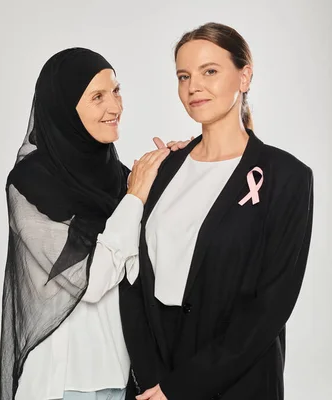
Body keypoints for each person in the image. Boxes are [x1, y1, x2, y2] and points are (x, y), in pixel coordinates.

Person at [119, 22, 314, 400]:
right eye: (183, 76)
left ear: (244, 77)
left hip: (236, 381)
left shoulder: (285, 176)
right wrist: (151, 378)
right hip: (153, 378)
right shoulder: (162, 170)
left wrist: (180, 388)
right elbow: (131, 278)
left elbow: (272, 306)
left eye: (210, 71)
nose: (193, 86)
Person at [0, 47, 189, 400]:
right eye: (97, 96)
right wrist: (137, 196)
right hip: (63, 383)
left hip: (119, 378)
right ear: (65, 107)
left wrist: (183, 167)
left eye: (116, 91)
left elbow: (156, 263)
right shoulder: (30, 183)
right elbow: (92, 280)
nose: (115, 107)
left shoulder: (118, 179)